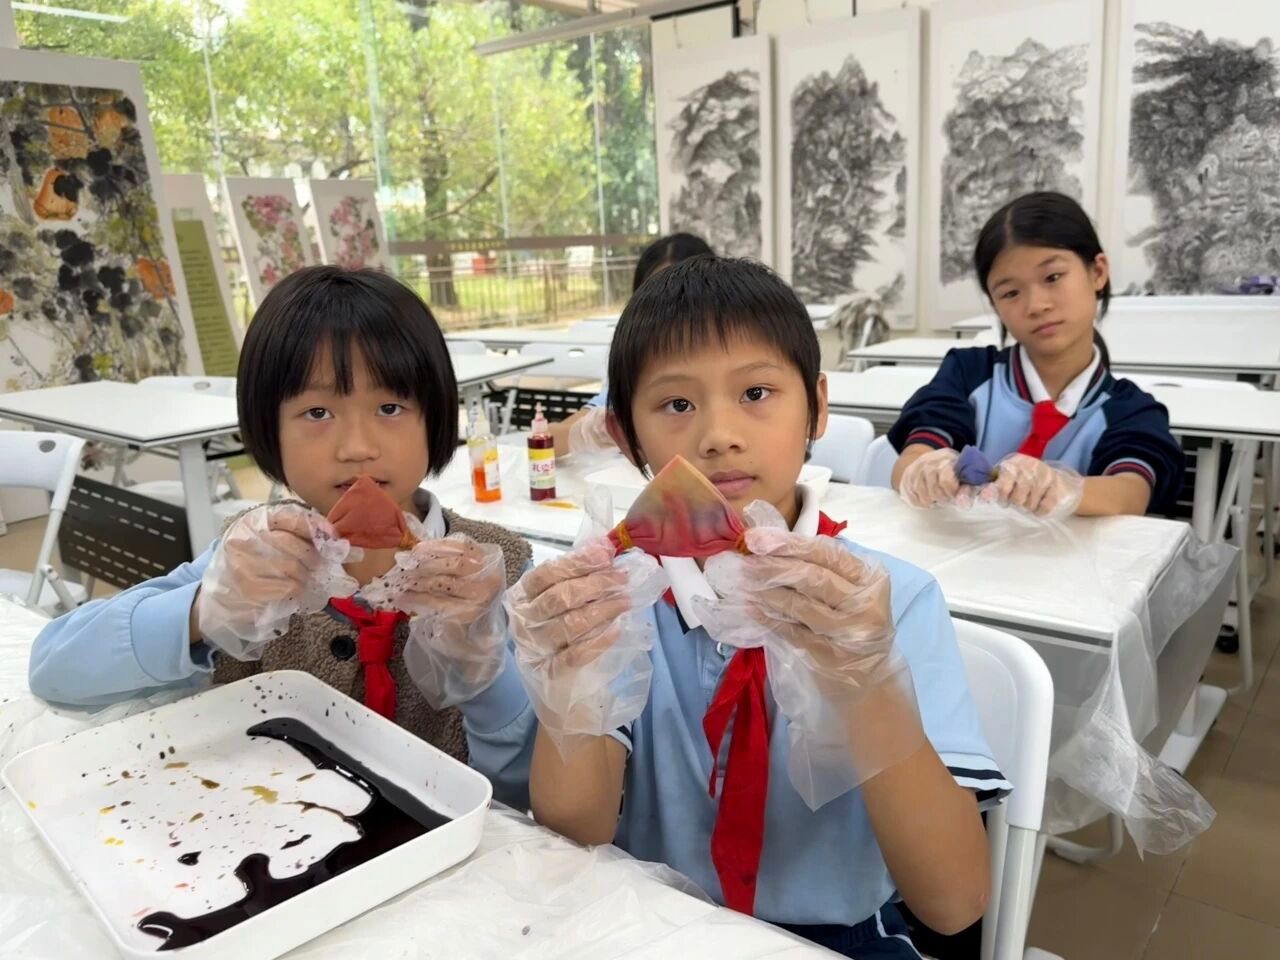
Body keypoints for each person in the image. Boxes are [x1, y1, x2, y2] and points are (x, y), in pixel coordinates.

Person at [481, 257, 1010, 958]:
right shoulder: (621, 601)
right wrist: (571, 681)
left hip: (845, 938)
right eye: (677, 405)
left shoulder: (894, 604)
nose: (719, 434)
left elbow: (953, 903)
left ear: (816, 405)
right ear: (625, 435)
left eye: (756, 392)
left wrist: (867, 680)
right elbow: (575, 834)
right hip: (650, 924)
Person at [28, 266, 531, 763]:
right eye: (317, 413)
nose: (357, 447)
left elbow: (530, 789)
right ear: (270, 431)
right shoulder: (251, 559)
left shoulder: (496, 572)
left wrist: (482, 667)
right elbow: (54, 672)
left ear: (435, 417)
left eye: (390, 408)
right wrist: (206, 610)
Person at [889, 191, 1184, 517]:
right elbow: (915, 455)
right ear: (995, 304)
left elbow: (1130, 492)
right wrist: (922, 471)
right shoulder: (968, 374)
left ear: (1098, 272)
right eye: (1010, 292)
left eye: (1053, 277)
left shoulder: (1129, 410)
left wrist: (1065, 489)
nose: (1036, 305)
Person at [548, 232, 713, 456]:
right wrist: (592, 431)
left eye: (683, 297)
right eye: (655, 299)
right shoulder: (637, 371)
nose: (670, 312)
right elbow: (549, 440)